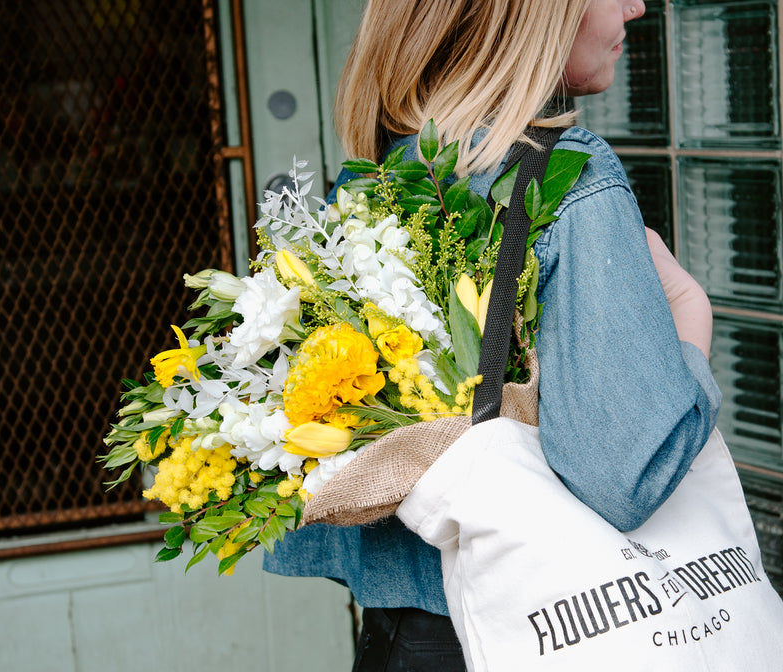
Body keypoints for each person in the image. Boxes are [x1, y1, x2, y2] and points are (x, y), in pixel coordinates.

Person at [264, 1, 720, 669]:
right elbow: (626, 477)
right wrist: (692, 321)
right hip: (543, 634)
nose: (636, 5)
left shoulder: (381, 174)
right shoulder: (569, 180)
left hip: (400, 642)